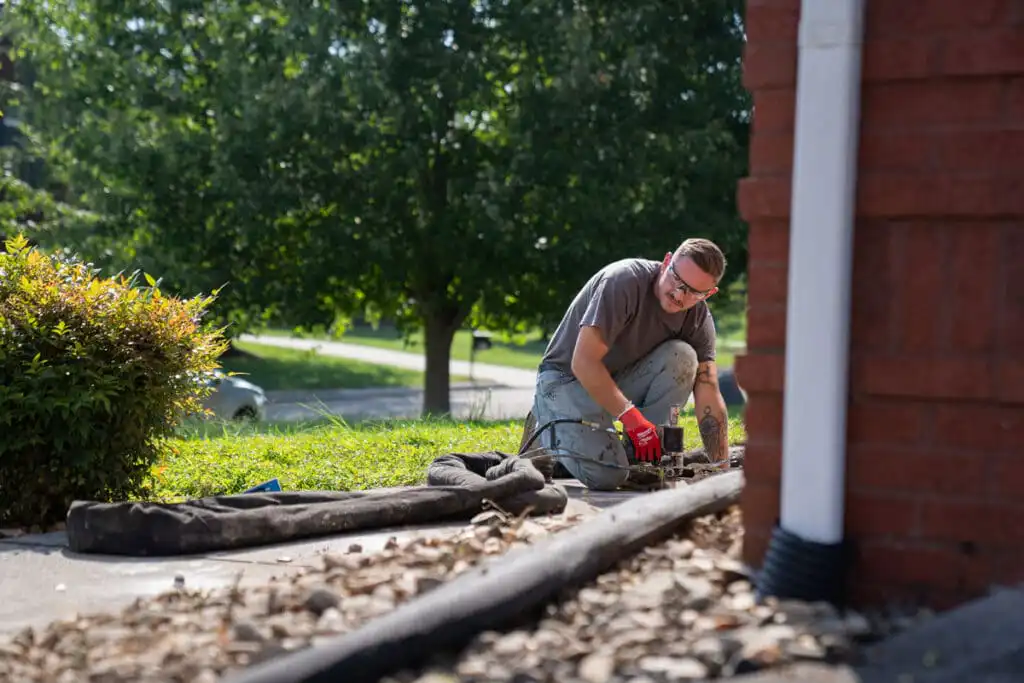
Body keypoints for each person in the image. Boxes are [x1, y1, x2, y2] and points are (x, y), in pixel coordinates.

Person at [528, 237, 731, 490]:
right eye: (676, 279)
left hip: (615, 383)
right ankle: (546, 420)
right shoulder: (623, 281)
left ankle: (641, 461)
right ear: (667, 261)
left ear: (709, 294)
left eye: (693, 292)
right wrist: (633, 419)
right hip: (565, 381)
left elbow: (708, 392)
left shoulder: (698, 320)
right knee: (607, 478)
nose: (679, 294)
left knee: (683, 356)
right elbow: (583, 363)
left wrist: (722, 469)